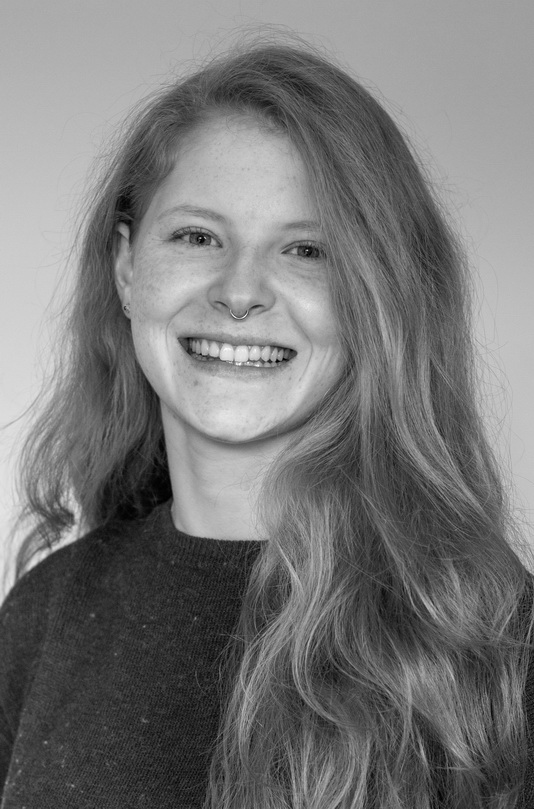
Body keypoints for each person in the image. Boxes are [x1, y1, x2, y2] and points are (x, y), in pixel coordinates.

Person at [1, 33, 533, 809]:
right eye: (197, 236)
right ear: (126, 266)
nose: (240, 290)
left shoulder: (489, 637)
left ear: (379, 297)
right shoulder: (45, 615)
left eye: (307, 250)